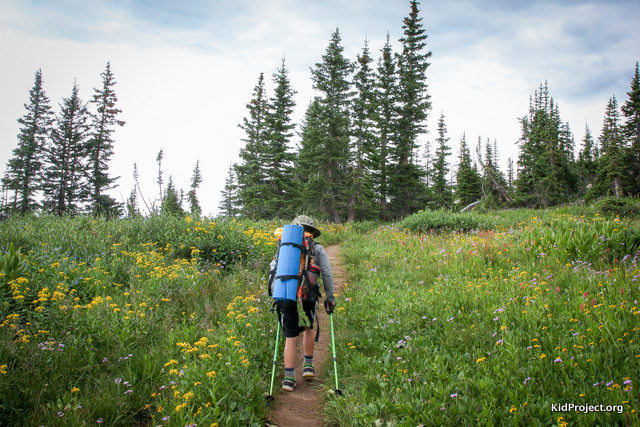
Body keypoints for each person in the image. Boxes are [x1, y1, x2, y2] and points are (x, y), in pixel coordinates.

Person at [279, 215, 336, 392]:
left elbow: (276, 270)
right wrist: (330, 297)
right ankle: (308, 366)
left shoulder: (285, 247)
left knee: (290, 336)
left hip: (288, 294)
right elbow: (326, 273)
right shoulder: (317, 248)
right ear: (312, 231)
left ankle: (288, 378)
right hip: (308, 294)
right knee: (309, 328)